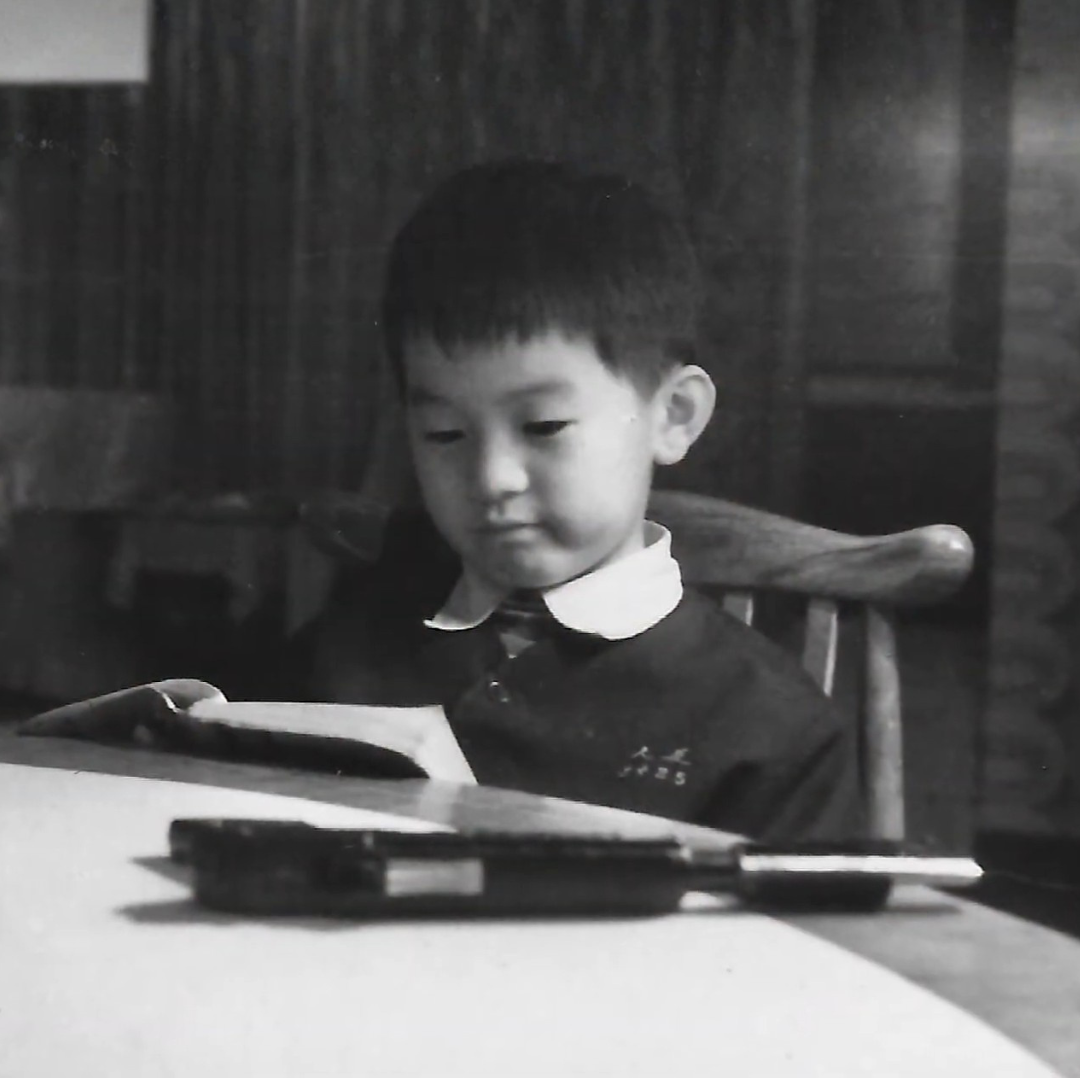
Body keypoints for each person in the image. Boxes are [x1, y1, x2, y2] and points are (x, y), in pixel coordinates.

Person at [299, 159, 864, 842]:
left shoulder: (771, 726)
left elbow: (789, 945)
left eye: (543, 427)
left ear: (674, 414)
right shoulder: (349, 643)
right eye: (444, 433)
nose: (493, 477)